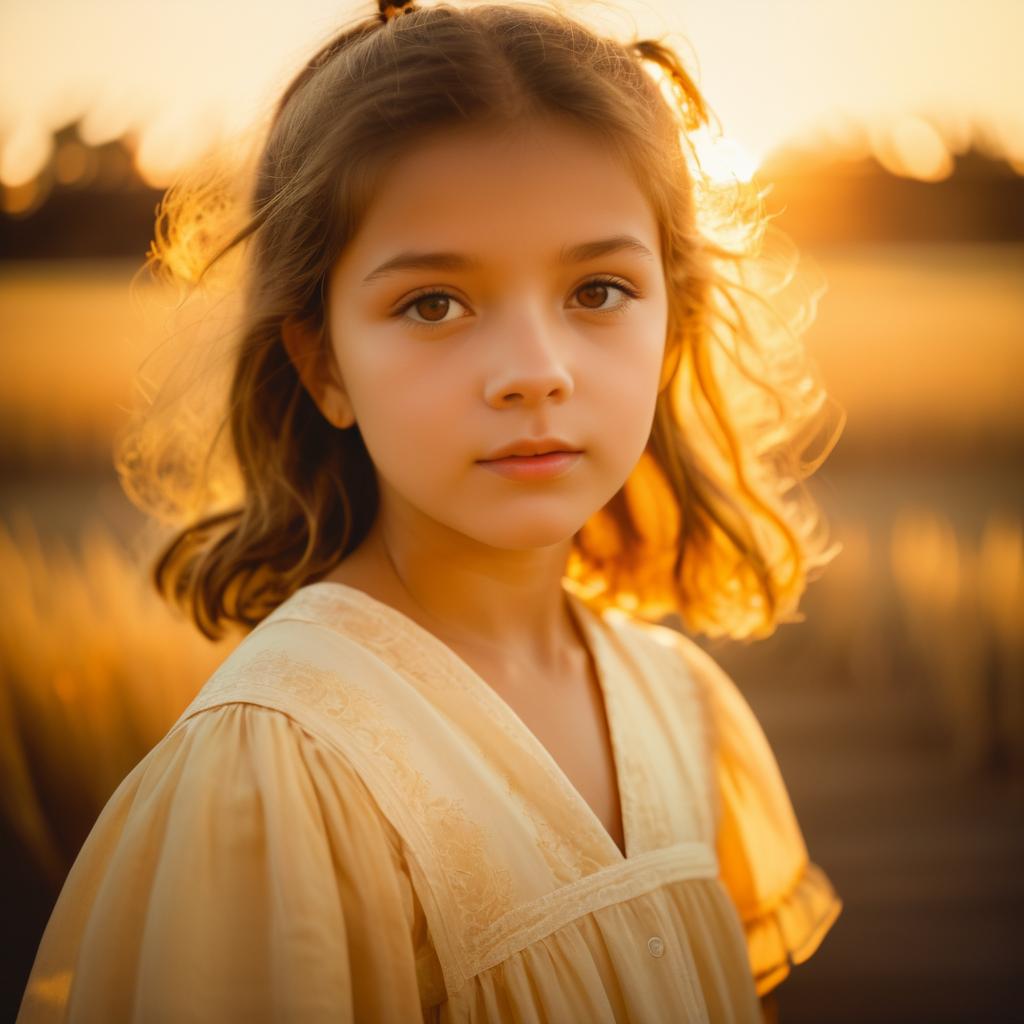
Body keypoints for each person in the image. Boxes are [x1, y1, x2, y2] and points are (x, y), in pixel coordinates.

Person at [17, 0, 845, 1020]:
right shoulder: (283, 774)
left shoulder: (681, 703)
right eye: (432, 304)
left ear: (672, 322)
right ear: (324, 363)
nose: (534, 373)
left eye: (596, 290)